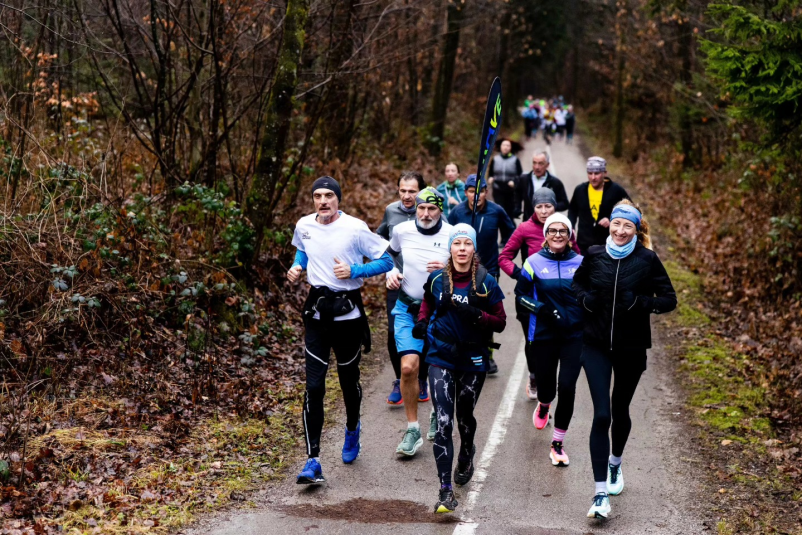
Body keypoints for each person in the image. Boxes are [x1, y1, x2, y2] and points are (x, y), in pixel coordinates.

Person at [572, 201, 677, 519]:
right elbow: (577, 284)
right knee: (602, 415)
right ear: (611, 224)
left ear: (636, 229)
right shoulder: (594, 254)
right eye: (616, 224)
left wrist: (641, 303)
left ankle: (615, 463)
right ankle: (600, 494)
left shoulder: (647, 259)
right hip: (595, 345)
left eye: (627, 226)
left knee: (620, 410)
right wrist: (586, 300)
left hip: (631, 348)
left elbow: (669, 299)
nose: (620, 230)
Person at [288, 177, 394, 484]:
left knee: (348, 382)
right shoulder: (304, 225)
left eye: (329, 195)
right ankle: (313, 460)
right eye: (317, 196)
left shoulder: (355, 228)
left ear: (338, 199)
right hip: (317, 312)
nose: (323, 201)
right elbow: (302, 250)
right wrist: (297, 266)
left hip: (348, 314)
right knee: (314, 387)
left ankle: (352, 428)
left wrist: (355, 270)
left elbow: (387, 260)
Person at [413, 224, 507, 514]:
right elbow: (427, 302)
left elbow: (501, 322)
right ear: (450, 248)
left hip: (473, 358)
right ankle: (445, 491)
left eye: (467, 243)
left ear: (473, 248)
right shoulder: (437, 279)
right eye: (457, 243)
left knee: (464, 416)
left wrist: (476, 315)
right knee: (443, 421)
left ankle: (467, 451)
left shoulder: (486, 282)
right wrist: (422, 322)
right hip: (440, 355)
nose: (462, 248)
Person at [514, 213, 583, 469]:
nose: (557, 235)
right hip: (543, 335)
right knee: (547, 388)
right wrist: (541, 309)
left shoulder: (581, 263)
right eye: (552, 230)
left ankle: (557, 443)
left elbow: (592, 294)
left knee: (567, 387)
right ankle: (544, 404)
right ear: (545, 235)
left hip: (574, 336)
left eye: (563, 231)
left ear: (570, 235)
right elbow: (520, 295)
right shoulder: (533, 262)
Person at [387, 186, 451, 457]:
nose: (425, 213)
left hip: (441, 311)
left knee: (439, 368)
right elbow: (389, 255)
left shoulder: (452, 234)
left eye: (431, 209)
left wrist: (448, 269)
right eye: (421, 208)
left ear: (440, 211)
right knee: (408, 368)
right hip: (407, 308)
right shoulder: (402, 230)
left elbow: (472, 267)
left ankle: (437, 412)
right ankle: (413, 429)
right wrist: (391, 272)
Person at [500, 188, 579, 399]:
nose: (544, 211)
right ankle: (534, 374)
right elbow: (504, 257)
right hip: (530, 296)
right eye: (539, 206)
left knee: (560, 339)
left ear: (555, 207)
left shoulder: (562, 228)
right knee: (533, 341)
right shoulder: (524, 228)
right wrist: (521, 275)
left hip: (559, 296)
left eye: (548, 206)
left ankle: (552, 383)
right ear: (533, 207)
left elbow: (577, 258)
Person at [447, 173, 514, 375]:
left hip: (489, 270)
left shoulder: (496, 210)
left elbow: (511, 232)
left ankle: (487, 354)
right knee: (462, 309)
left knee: (486, 314)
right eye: (471, 191)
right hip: (461, 270)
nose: (476, 196)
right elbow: (447, 238)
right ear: (465, 192)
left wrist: (503, 251)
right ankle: (462, 350)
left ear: (486, 192)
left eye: (480, 191)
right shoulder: (457, 212)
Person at [377, 171, 427, 405]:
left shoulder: (430, 211)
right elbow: (380, 240)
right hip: (397, 282)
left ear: (421, 192)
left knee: (423, 328)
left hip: (424, 284)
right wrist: (389, 269)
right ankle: (400, 379)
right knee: (392, 333)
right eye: (402, 191)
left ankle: (422, 378)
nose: (406, 196)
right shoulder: (391, 211)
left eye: (412, 191)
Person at [568, 157, 630, 255]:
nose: (593, 177)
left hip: (607, 246)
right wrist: (571, 227)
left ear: (605, 173)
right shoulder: (580, 190)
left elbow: (631, 211)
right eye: (590, 173)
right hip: (583, 245)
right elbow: (572, 210)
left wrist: (612, 220)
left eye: (596, 173)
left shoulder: (616, 191)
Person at [516, 150, 570, 222]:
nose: (537, 167)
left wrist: (549, 207)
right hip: (528, 221)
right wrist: (517, 208)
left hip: (547, 223)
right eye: (534, 163)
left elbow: (565, 203)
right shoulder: (524, 179)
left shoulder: (555, 182)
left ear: (547, 165)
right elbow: (517, 195)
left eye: (540, 163)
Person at [487, 139, 523, 229]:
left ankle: (511, 231)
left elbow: (520, 176)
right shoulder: (495, 159)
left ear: (510, 148)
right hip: (498, 189)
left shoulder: (515, 160)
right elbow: (490, 173)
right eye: (504, 145)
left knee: (509, 213)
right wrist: (490, 178)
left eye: (508, 145)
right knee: (500, 212)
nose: (505, 147)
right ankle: (504, 234)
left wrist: (514, 182)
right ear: (500, 147)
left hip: (510, 191)